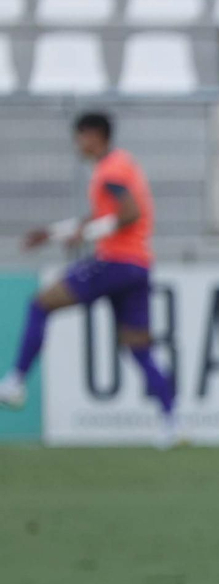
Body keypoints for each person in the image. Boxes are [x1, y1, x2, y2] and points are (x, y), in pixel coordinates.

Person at [0, 112, 176, 448]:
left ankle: (16, 381)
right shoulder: (122, 164)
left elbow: (129, 214)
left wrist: (88, 234)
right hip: (138, 266)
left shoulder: (109, 170)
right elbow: (103, 216)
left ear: (96, 135)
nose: (78, 144)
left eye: (82, 136)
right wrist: (53, 233)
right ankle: (172, 422)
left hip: (115, 262)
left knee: (41, 303)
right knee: (139, 347)